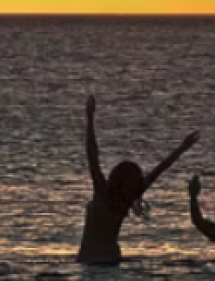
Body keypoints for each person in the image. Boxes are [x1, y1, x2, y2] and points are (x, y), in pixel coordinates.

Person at [77, 94, 199, 264]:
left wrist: (89, 117)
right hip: (112, 260)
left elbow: (92, 156)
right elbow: (160, 169)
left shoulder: (102, 194)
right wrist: (182, 148)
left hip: (89, 259)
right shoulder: (127, 198)